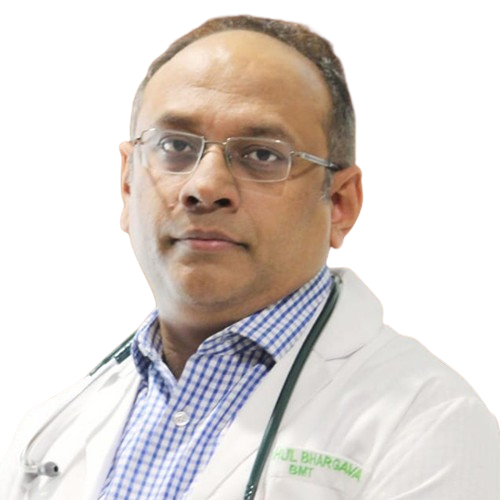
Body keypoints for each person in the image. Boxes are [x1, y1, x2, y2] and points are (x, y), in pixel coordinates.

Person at [1, 14, 499, 500]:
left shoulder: (433, 429)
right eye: (175, 145)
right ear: (128, 185)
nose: (204, 186)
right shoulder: (51, 429)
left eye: (262, 154)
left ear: (340, 204)